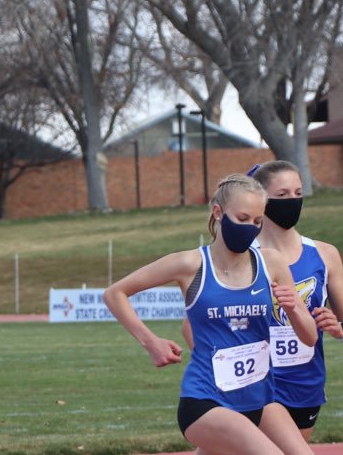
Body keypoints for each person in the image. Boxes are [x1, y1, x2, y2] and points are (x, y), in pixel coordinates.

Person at [105, 174, 315, 455]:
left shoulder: (271, 262)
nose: (250, 228)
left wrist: (293, 309)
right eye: (242, 218)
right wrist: (151, 342)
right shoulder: (189, 263)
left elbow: (310, 337)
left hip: (259, 399)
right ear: (218, 213)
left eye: (257, 221)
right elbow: (115, 293)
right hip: (206, 401)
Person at [245, 161, 343, 441]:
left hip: (304, 382)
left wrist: (338, 329)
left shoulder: (324, 254)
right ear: (261, 199)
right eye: (283, 195)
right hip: (255, 381)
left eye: (298, 194)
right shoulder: (242, 256)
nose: (292, 202)